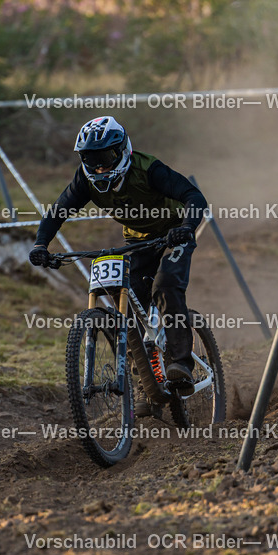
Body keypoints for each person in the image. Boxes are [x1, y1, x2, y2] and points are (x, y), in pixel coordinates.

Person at [29, 116, 208, 415]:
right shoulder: (86, 179)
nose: (100, 166)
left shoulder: (148, 168)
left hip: (175, 232)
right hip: (138, 240)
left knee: (165, 285)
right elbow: (59, 210)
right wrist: (40, 244)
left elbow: (193, 195)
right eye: (91, 159)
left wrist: (187, 225)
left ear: (123, 150)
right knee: (126, 301)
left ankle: (180, 363)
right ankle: (147, 385)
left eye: (106, 157)